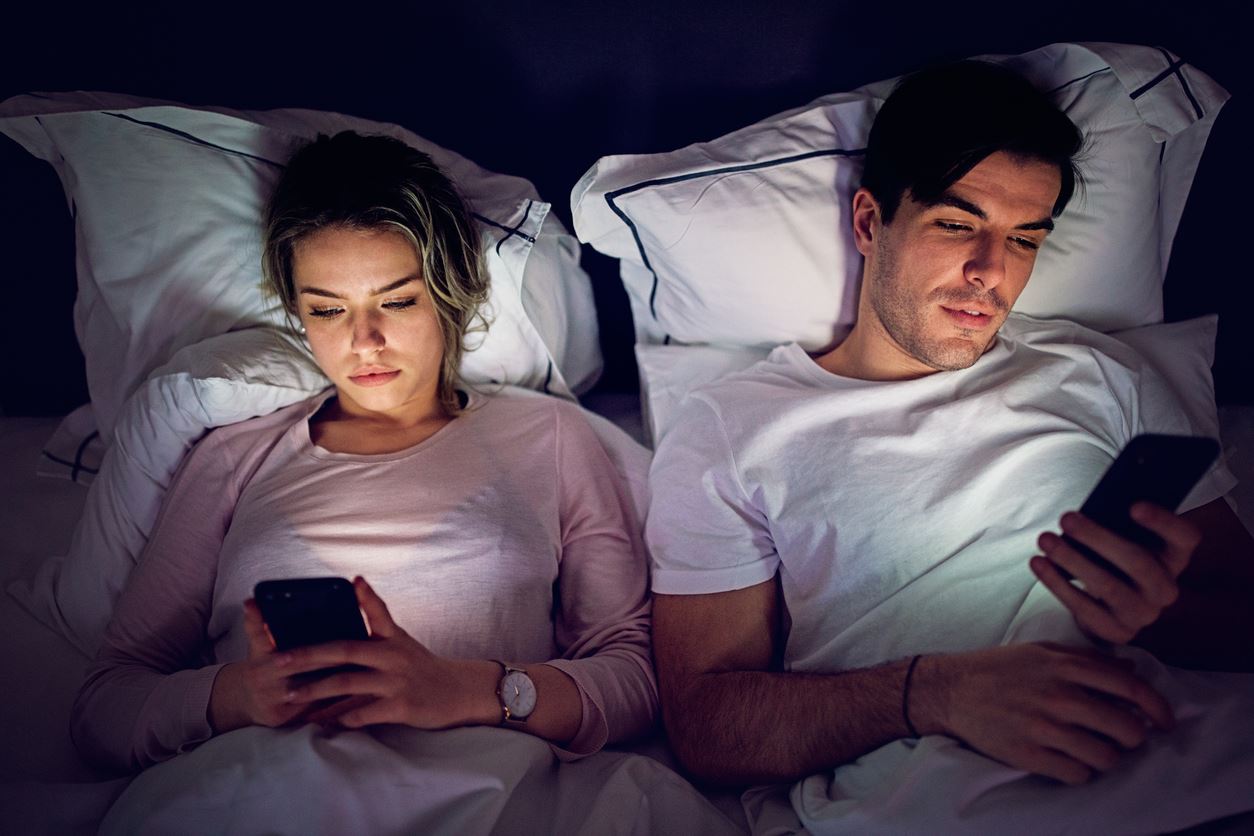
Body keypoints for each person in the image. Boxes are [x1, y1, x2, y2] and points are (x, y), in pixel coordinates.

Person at [646, 60, 1254, 795]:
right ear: (871, 222)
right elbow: (706, 725)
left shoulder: (1106, 376)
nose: (990, 272)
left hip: (1195, 762)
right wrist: (933, 694)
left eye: (1026, 238)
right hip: (938, 798)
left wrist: (1160, 618)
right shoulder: (732, 427)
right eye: (958, 224)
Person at [72, 131, 657, 771]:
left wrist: (469, 691)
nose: (364, 342)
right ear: (297, 312)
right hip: (260, 792)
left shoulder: (552, 437)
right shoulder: (235, 455)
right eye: (327, 311)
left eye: (397, 301)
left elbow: (633, 676)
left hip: (478, 791)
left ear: (452, 288)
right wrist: (240, 695)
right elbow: (105, 705)